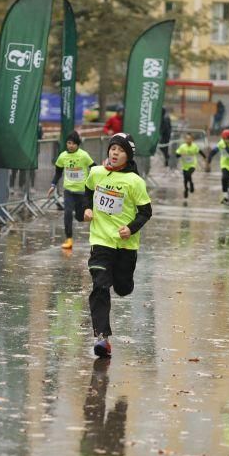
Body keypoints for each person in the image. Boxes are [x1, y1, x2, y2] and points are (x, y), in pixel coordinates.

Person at [82, 132, 152, 358]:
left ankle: (123, 283)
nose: (115, 153)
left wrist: (130, 228)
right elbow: (87, 189)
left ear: (128, 156)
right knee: (100, 286)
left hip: (125, 246)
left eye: (121, 150)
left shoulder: (135, 182)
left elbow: (146, 212)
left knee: (122, 288)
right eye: (113, 148)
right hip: (101, 241)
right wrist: (87, 208)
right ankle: (102, 338)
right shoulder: (96, 173)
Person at [49, 130, 95, 250]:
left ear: (77, 144)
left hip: (82, 192)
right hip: (68, 190)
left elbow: (94, 168)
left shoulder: (84, 155)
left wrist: (95, 183)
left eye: (73, 143)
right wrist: (53, 184)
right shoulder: (62, 156)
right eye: (69, 143)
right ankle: (69, 239)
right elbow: (58, 172)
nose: (71, 145)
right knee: (67, 213)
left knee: (80, 217)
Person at [174, 133, 206, 199]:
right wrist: (181, 154)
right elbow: (177, 155)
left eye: (190, 139)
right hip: (184, 165)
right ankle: (186, 189)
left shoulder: (194, 146)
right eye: (187, 139)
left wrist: (205, 157)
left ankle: (191, 184)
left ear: (192, 139)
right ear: (185, 140)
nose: (188, 140)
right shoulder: (182, 147)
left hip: (192, 164)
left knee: (188, 174)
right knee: (185, 178)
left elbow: (200, 151)